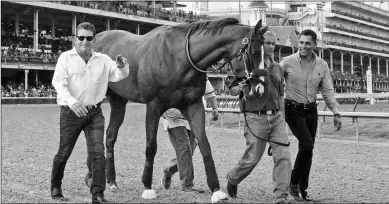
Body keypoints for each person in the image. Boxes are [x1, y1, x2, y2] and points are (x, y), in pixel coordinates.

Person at [50, 22, 129, 204]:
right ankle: (56, 186)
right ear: (75, 39)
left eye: (89, 38)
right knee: (64, 152)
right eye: (81, 37)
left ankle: (98, 194)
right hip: (71, 112)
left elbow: (118, 76)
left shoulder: (103, 59)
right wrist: (73, 102)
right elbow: (58, 84)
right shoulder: (65, 58)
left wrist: (123, 66)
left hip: (94, 113)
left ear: (94, 40)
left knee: (98, 153)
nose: (85, 41)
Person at [226, 30, 292, 204]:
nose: (270, 46)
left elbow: (280, 95)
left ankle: (281, 196)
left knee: (283, 156)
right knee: (253, 158)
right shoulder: (246, 64)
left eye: (273, 43)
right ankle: (233, 178)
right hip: (255, 118)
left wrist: (283, 118)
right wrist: (242, 86)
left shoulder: (277, 68)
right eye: (267, 43)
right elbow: (232, 90)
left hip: (276, 117)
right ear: (259, 44)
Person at [280, 29, 342, 201]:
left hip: (311, 110)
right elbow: (275, 84)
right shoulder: (286, 62)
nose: (303, 46)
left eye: (308, 43)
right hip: (292, 108)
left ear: (315, 44)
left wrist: (335, 111)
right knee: (307, 145)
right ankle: (292, 182)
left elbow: (328, 90)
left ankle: (302, 190)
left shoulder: (322, 65)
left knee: (307, 150)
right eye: (301, 42)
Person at [161, 78, 220, 192]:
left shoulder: (200, 73)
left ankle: (168, 169)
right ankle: (187, 185)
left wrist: (215, 108)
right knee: (185, 148)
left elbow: (209, 92)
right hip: (174, 116)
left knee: (189, 151)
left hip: (193, 117)